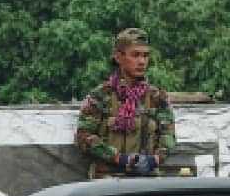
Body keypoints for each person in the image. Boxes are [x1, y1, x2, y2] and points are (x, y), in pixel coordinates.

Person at [75, 28, 176, 179]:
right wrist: (120, 158)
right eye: (135, 55)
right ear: (118, 57)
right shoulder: (101, 96)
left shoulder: (157, 97)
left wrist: (154, 160)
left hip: (147, 179)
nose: (142, 61)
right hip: (108, 180)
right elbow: (84, 137)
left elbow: (168, 136)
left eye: (145, 55)